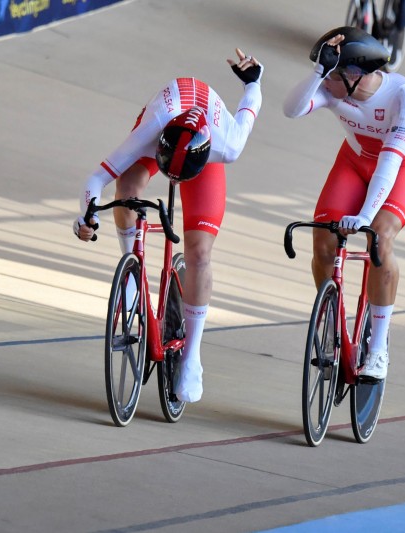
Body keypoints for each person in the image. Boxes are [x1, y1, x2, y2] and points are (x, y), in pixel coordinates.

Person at [74, 48, 264, 402]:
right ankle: (132, 270)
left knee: (199, 253)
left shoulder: (227, 145)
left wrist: (254, 81)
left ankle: (192, 358)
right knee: (127, 189)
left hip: (201, 140)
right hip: (167, 124)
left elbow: (250, 104)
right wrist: (87, 217)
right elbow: (95, 180)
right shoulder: (150, 129)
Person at [282, 26, 405, 380]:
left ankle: (377, 349)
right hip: (354, 160)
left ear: (354, 75)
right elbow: (291, 110)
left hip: (400, 165)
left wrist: (364, 216)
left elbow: (390, 162)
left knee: (380, 238)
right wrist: (319, 71)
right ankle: (331, 320)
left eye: (330, 74)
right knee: (323, 241)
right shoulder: (334, 89)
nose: (324, 82)